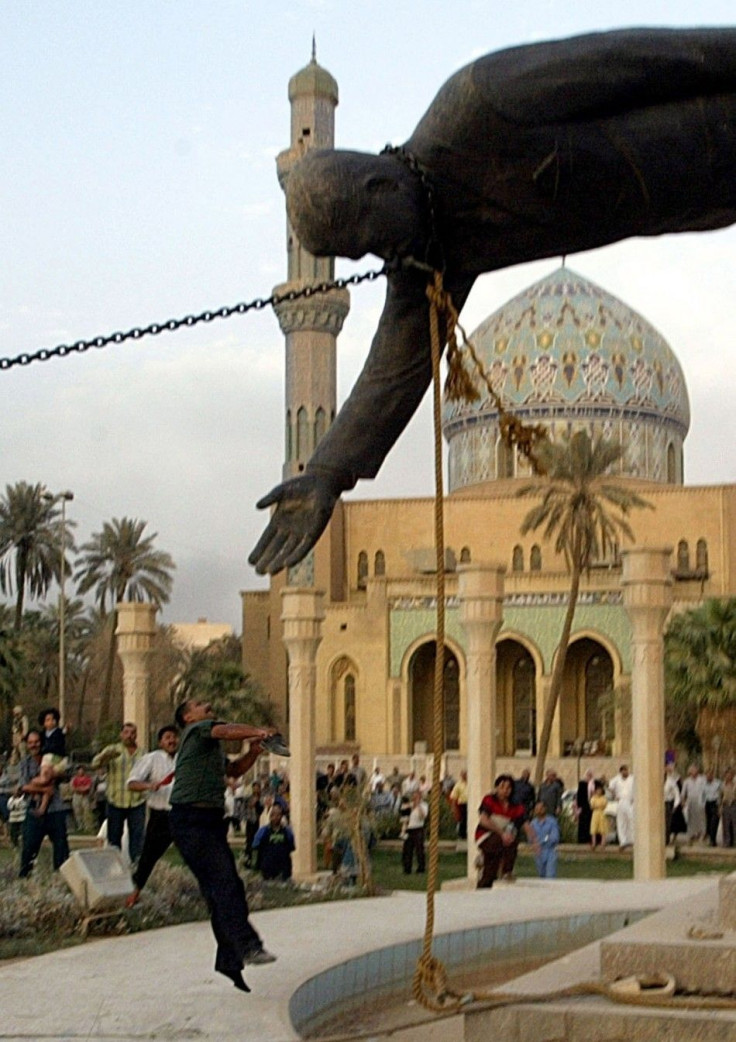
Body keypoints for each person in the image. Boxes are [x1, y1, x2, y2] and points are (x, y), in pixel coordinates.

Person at [249, 28, 736, 576]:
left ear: (378, 188)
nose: (378, 257)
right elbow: (393, 370)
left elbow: (644, 62)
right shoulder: (430, 244)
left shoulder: (479, 106)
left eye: (367, 241)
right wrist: (324, 474)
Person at [169, 698, 278, 992]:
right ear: (188, 717)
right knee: (226, 884)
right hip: (190, 820)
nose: (208, 705)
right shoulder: (196, 731)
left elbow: (233, 771)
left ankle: (230, 961)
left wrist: (254, 752)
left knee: (222, 891)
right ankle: (248, 946)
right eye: (200, 704)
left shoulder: (208, 747)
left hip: (208, 821)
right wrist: (257, 731)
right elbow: (227, 731)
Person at [124, 724, 179, 907]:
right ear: (160, 742)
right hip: (160, 816)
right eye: (167, 737)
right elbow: (131, 783)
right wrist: (149, 786)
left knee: (198, 854)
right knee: (148, 856)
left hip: (183, 815)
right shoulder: (152, 758)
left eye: (174, 737)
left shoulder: (185, 759)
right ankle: (133, 895)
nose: (172, 740)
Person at [91, 723, 146, 863]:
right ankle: (114, 868)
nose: (129, 735)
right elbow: (95, 764)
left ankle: (136, 868)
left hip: (137, 801)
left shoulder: (143, 753)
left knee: (137, 838)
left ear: (136, 735)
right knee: (114, 838)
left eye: (133, 733)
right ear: (121, 734)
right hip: (116, 800)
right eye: (126, 732)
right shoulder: (112, 750)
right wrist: (104, 757)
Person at [18, 729, 69, 876]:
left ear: (42, 742)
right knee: (28, 849)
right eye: (30, 743)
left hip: (56, 809)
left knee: (61, 849)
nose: (34, 745)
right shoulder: (25, 763)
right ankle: (25, 881)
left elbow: (66, 775)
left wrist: (50, 778)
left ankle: (61, 880)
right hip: (34, 809)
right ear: (27, 745)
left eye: (37, 742)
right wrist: (46, 789)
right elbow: (23, 786)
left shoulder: (53, 758)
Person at [475, 773, 526, 888]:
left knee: (491, 868)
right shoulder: (489, 800)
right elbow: (484, 820)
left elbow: (523, 822)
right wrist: (502, 833)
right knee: (497, 843)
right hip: (486, 835)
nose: (505, 791)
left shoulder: (515, 806)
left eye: (508, 788)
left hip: (505, 838)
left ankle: (506, 872)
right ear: (497, 788)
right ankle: (485, 857)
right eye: (502, 787)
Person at [33, 708, 69, 817]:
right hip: (47, 757)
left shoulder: (58, 732)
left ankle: (33, 786)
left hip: (57, 757)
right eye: (47, 720)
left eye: (53, 719)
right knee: (47, 781)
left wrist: (66, 730)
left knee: (47, 779)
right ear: (43, 723)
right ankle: (41, 803)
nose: (51, 722)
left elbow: (63, 736)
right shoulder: (42, 734)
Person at [252, 803, 295, 881]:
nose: (276, 818)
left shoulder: (287, 832)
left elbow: (291, 847)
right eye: (274, 815)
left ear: (281, 816)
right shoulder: (262, 831)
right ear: (270, 817)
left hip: (283, 867)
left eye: (278, 815)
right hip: (267, 866)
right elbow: (255, 846)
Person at [527, 800, 560, 878]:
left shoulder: (552, 822)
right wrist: (542, 840)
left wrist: (540, 841)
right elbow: (530, 838)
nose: (539, 810)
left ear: (545, 809)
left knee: (550, 875)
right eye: (537, 809)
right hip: (538, 853)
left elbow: (554, 838)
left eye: (541, 808)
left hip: (550, 851)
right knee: (541, 875)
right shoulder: (533, 823)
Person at [402, 789, 428, 874]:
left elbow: (423, 816)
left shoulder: (424, 805)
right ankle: (407, 868)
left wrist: (418, 806)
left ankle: (421, 868)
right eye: (414, 796)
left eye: (417, 796)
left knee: (419, 850)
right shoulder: (409, 805)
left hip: (418, 828)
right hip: (409, 829)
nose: (415, 798)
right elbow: (403, 817)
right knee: (407, 850)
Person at [608, 765, 635, 850]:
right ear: (621, 772)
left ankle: (632, 840)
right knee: (621, 822)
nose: (625, 772)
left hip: (630, 801)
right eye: (623, 771)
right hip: (621, 801)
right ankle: (623, 841)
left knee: (631, 820)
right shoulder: (617, 779)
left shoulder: (632, 778)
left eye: (626, 770)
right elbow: (610, 787)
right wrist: (614, 795)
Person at [681, 763, 707, 843]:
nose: (692, 771)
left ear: (697, 770)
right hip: (691, 801)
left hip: (700, 800)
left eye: (694, 770)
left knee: (701, 818)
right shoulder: (687, 781)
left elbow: (705, 791)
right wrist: (683, 801)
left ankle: (702, 833)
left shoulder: (702, 779)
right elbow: (683, 793)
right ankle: (692, 834)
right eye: (691, 770)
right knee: (691, 818)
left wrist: (704, 801)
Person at [70, 765, 94, 831]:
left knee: (86, 811)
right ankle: (80, 826)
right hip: (76, 796)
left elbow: (88, 787)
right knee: (77, 811)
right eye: (79, 770)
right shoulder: (74, 779)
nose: (81, 771)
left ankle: (88, 826)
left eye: (82, 770)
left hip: (85, 796)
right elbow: (72, 788)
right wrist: (81, 789)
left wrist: (80, 789)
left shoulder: (88, 778)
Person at [704, 768, 723, 847]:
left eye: (710, 775)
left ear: (712, 775)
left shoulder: (718, 783)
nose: (708, 776)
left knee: (714, 822)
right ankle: (710, 838)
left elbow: (721, 794)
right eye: (707, 775)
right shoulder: (704, 784)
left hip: (715, 803)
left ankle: (713, 840)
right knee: (708, 822)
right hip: (707, 803)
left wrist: (719, 806)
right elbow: (702, 795)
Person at [575, 769, 594, 846]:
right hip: (584, 806)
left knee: (591, 823)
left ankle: (591, 839)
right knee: (583, 823)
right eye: (588, 775)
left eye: (590, 775)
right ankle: (582, 839)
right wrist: (579, 806)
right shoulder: (582, 784)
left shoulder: (593, 783)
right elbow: (579, 795)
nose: (589, 776)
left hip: (592, 806)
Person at [449, 769, 468, 840]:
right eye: (463, 774)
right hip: (462, 804)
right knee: (463, 820)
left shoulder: (471, 783)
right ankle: (462, 835)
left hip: (470, 803)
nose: (464, 776)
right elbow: (454, 797)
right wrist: (454, 807)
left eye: (465, 774)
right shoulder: (458, 785)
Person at [589, 781, 608, 850]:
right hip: (595, 814)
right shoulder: (593, 798)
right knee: (594, 829)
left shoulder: (603, 798)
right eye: (597, 790)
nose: (599, 791)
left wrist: (597, 806)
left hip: (601, 814)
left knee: (602, 829)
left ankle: (603, 843)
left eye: (600, 790)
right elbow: (592, 806)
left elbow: (604, 805)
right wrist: (597, 806)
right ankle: (594, 843)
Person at [720, 768, 736, 848]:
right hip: (725, 805)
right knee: (726, 825)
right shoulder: (722, 785)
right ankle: (727, 842)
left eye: (730, 774)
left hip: (733, 805)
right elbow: (720, 796)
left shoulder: (735, 785)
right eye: (727, 774)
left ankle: (734, 842)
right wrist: (720, 807)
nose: (728, 776)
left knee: (734, 824)